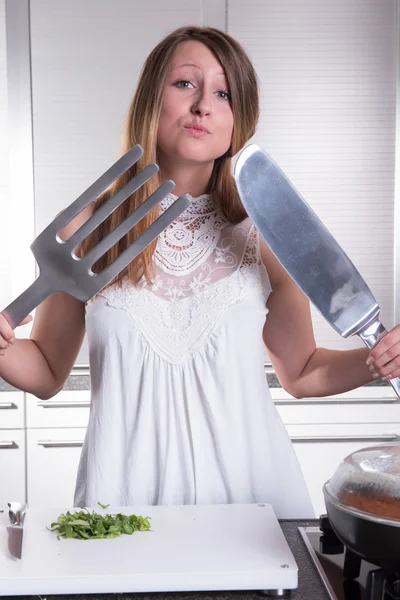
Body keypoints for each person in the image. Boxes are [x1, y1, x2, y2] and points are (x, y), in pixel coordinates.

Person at [1, 25, 400, 518]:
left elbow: (299, 372)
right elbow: (43, 370)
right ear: (153, 98)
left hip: (253, 505)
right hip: (124, 504)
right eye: (185, 83)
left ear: (238, 119)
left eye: (223, 93)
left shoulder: (266, 233)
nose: (202, 106)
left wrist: (374, 360)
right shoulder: (93, 231)